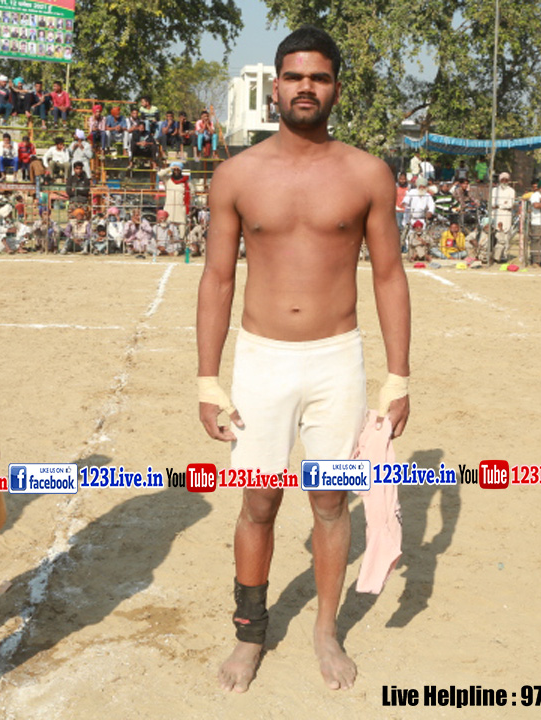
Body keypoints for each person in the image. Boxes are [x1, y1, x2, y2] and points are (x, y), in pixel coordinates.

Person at [197, 25, 410, 694]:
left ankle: (325, 629)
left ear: (336, 87)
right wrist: (207, 379)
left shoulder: (366, 173)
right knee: (258, 502)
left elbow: (389, 274)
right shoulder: (237, 175)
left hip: (336, 361)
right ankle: (250, 632)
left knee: (329, 501)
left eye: (318, 77)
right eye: (294, 77)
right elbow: (217, 278)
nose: (305, 88)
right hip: (261, 361)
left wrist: (398, 376)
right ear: (276, 87)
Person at [488, 172, 515, 263]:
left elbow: (510, 204)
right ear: (499, 180)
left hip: (506, 215)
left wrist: (499, 205)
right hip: (495, 214)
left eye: (506, 180)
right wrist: (503, 203)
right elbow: (492, 203)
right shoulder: (494, 190)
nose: (504, 181)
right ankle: (494, 255)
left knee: (505, 235)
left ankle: (503, 256)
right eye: (502, 180)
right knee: (495, 235)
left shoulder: (511, 191)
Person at [158, 161, 190, 230]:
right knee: (166, 231)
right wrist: (170, 168)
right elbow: (160, 174)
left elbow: (190, 196)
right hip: (169, 210)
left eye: (178, 169)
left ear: (181, 170)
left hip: (180, 210)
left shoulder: (186, 182)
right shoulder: (168, 180)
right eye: (174, 169)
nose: (176, 171)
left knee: (182, 232)